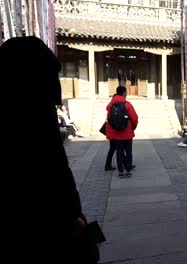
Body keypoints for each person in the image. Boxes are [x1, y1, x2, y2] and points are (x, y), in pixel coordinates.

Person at [1, 36, 99, 263]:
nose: (56, 82)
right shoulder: (30, 112)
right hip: (45, 226)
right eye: (52, 74)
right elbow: (47, 171)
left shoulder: (31, 106)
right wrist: (70, 217)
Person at [105, 86, 138, 178]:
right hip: (127, 133)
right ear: (124, 93)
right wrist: (132, 128)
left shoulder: (111, 105)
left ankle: (120, 172)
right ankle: (128, 170)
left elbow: (109, 118)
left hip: (116, 134)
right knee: (128, 152)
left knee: (119, 152)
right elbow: (135, 118)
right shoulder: (127, 104)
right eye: (126, 92)